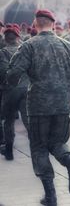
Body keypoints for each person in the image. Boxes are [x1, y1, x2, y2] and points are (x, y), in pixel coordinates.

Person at [7, 9, 70, 205]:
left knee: (40, 147)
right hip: (62, 105)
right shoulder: (67, 45)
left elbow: (12, 74)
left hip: (38, 107)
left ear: (35, 24)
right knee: (57, 143)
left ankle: (50, 195)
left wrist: (16, 81)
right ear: (52, 23)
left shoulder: (28, 46)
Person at [0, 27, 29, 160]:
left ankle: (9, 150)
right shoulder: (25, 50)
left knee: (9, 121)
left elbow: (2, 72)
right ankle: (37, 147)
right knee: (28, 120)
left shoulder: (3, 52)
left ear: (5, 39)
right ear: (18, 37)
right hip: (26, 89)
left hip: (10, 91)